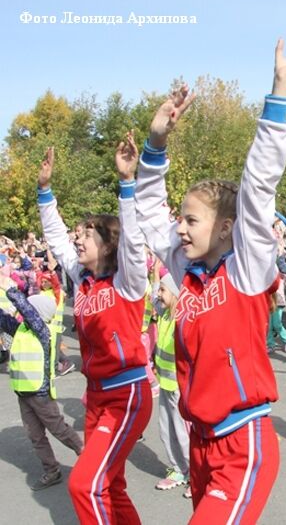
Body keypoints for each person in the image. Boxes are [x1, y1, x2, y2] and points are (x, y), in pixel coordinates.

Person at [134, 32, 286, 523]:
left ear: (224, 227)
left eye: (190, 220)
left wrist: (279, 91)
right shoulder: (187, 269)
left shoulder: (247, 268)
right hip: (200, 441)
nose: (179, 227)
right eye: (180, 219)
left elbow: (259, 184)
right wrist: (156, 143)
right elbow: (150, 215)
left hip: (243, 440)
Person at [39, 137, 153, 523]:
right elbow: (56, 237)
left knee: (83, 484)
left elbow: (134, 241)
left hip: (127, 393)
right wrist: (44, 191)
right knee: (111, 484)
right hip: (96, 395)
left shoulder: (127, 280)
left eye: (86, 234)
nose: (77, 238)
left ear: (108, 245)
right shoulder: (81, 279)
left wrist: (126, 182)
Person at [0, 272, 83, 491]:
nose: (22, 313)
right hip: (23, 393)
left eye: (28, 310)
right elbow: (3, 318)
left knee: (59, 429)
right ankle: (52, 470)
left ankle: (86, 456)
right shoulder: (22, 329)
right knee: (35, 435)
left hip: (40, 393)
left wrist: (8, 288)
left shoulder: (41, 330)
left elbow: (25, 309)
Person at [151, 268, 191, 496]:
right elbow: (154, 296)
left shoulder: (180, 318)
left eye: (163, 291)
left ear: (176, 295)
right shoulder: (164, 313)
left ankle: (197, 474)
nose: (159, 294)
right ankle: (179, 469)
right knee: (166, 430)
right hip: (165, 383)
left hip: (179, 386)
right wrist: (157, 276)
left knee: (184, 433)